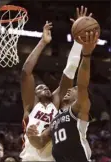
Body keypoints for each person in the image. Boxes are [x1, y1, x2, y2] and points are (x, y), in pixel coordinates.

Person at [20, 6, 91, 161]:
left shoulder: (57, 103)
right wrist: (43, 42)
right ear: (35, 94)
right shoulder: (30, 105)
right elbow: (26, 72)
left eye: (46, 86)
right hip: (31, 156)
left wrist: (78, 42)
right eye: (39, 87)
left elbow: (70, 70)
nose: (44, 86)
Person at [27, 31, 99, 162]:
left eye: (74, 89)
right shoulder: (55, 119)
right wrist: (32, 137)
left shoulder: (79, 110)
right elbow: (41, 141)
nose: (70, 89)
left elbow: (82, 84)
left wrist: (86, 55)